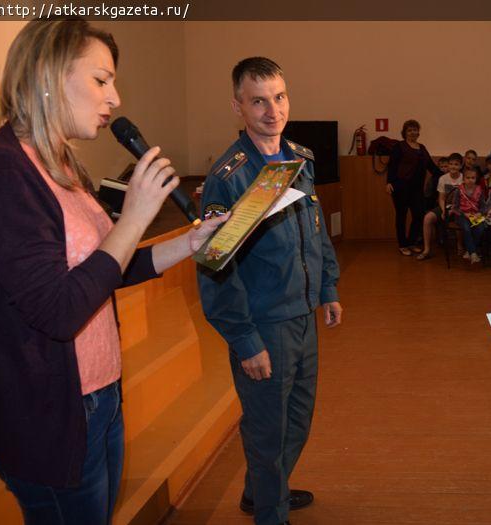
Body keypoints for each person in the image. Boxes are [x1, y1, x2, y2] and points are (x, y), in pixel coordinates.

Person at [0, 19, 227, 524]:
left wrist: (190, 242)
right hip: (51, 411)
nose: (115, 98)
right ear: (47, 75)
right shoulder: (4, 170)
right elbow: (57, 310)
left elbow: (107, 267)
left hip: (101, 393)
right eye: (101, 80)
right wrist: (137, 215)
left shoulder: (61, 165)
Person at [197, 57, 341, 525]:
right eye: (258, 100)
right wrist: (245, 340)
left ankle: (259, 493)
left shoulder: (300, 160)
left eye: (278, 97)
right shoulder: (230, 177)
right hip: (264, 323)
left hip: (302, 315)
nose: (271, 110)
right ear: (238, 106)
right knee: (267, 430)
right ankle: (270, 512)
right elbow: (217, 270)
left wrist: (328, 287)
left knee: (297, 420)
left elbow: (314, 230)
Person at [385, 120, 442, 255]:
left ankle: (411, 242)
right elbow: (392, 165)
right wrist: (389, 182)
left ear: (418, 132)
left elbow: (431, 167)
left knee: (418, 215)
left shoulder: (422, 148)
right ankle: (402, 245)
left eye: (415, 130)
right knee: (401, 216)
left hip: (417, 189)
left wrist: (446, 176)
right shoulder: (399, 147)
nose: (413, 132)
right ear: (405, 132)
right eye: (410, 130)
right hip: (400, 187)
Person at [417, 153, 463, 260]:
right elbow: (441, 198)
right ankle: (427, 250)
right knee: (427, 218)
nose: (453, 167)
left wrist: (455, 209)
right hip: (445, 206)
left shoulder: (463, 178)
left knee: (459, 219)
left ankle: (460, 245)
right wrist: (443, 211)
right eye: (451, 164)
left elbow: (465, 199)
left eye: (456, 164)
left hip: (459, 207)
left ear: (460, 166)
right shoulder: (443, 178)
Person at [451, 166, 487, 264]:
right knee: (466, 228)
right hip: (461, 215)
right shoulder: (459, 190)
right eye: (468, 178)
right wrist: (464, 214)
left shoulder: (479, 190)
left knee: (481, 228)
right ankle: (473, 254)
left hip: (475, 215)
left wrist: (479, 213)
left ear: (476, 179)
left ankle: (470, 250)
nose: (470, 180)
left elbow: (484, 207)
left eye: (473, 178)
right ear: (463, 178)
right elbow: (455, 207)